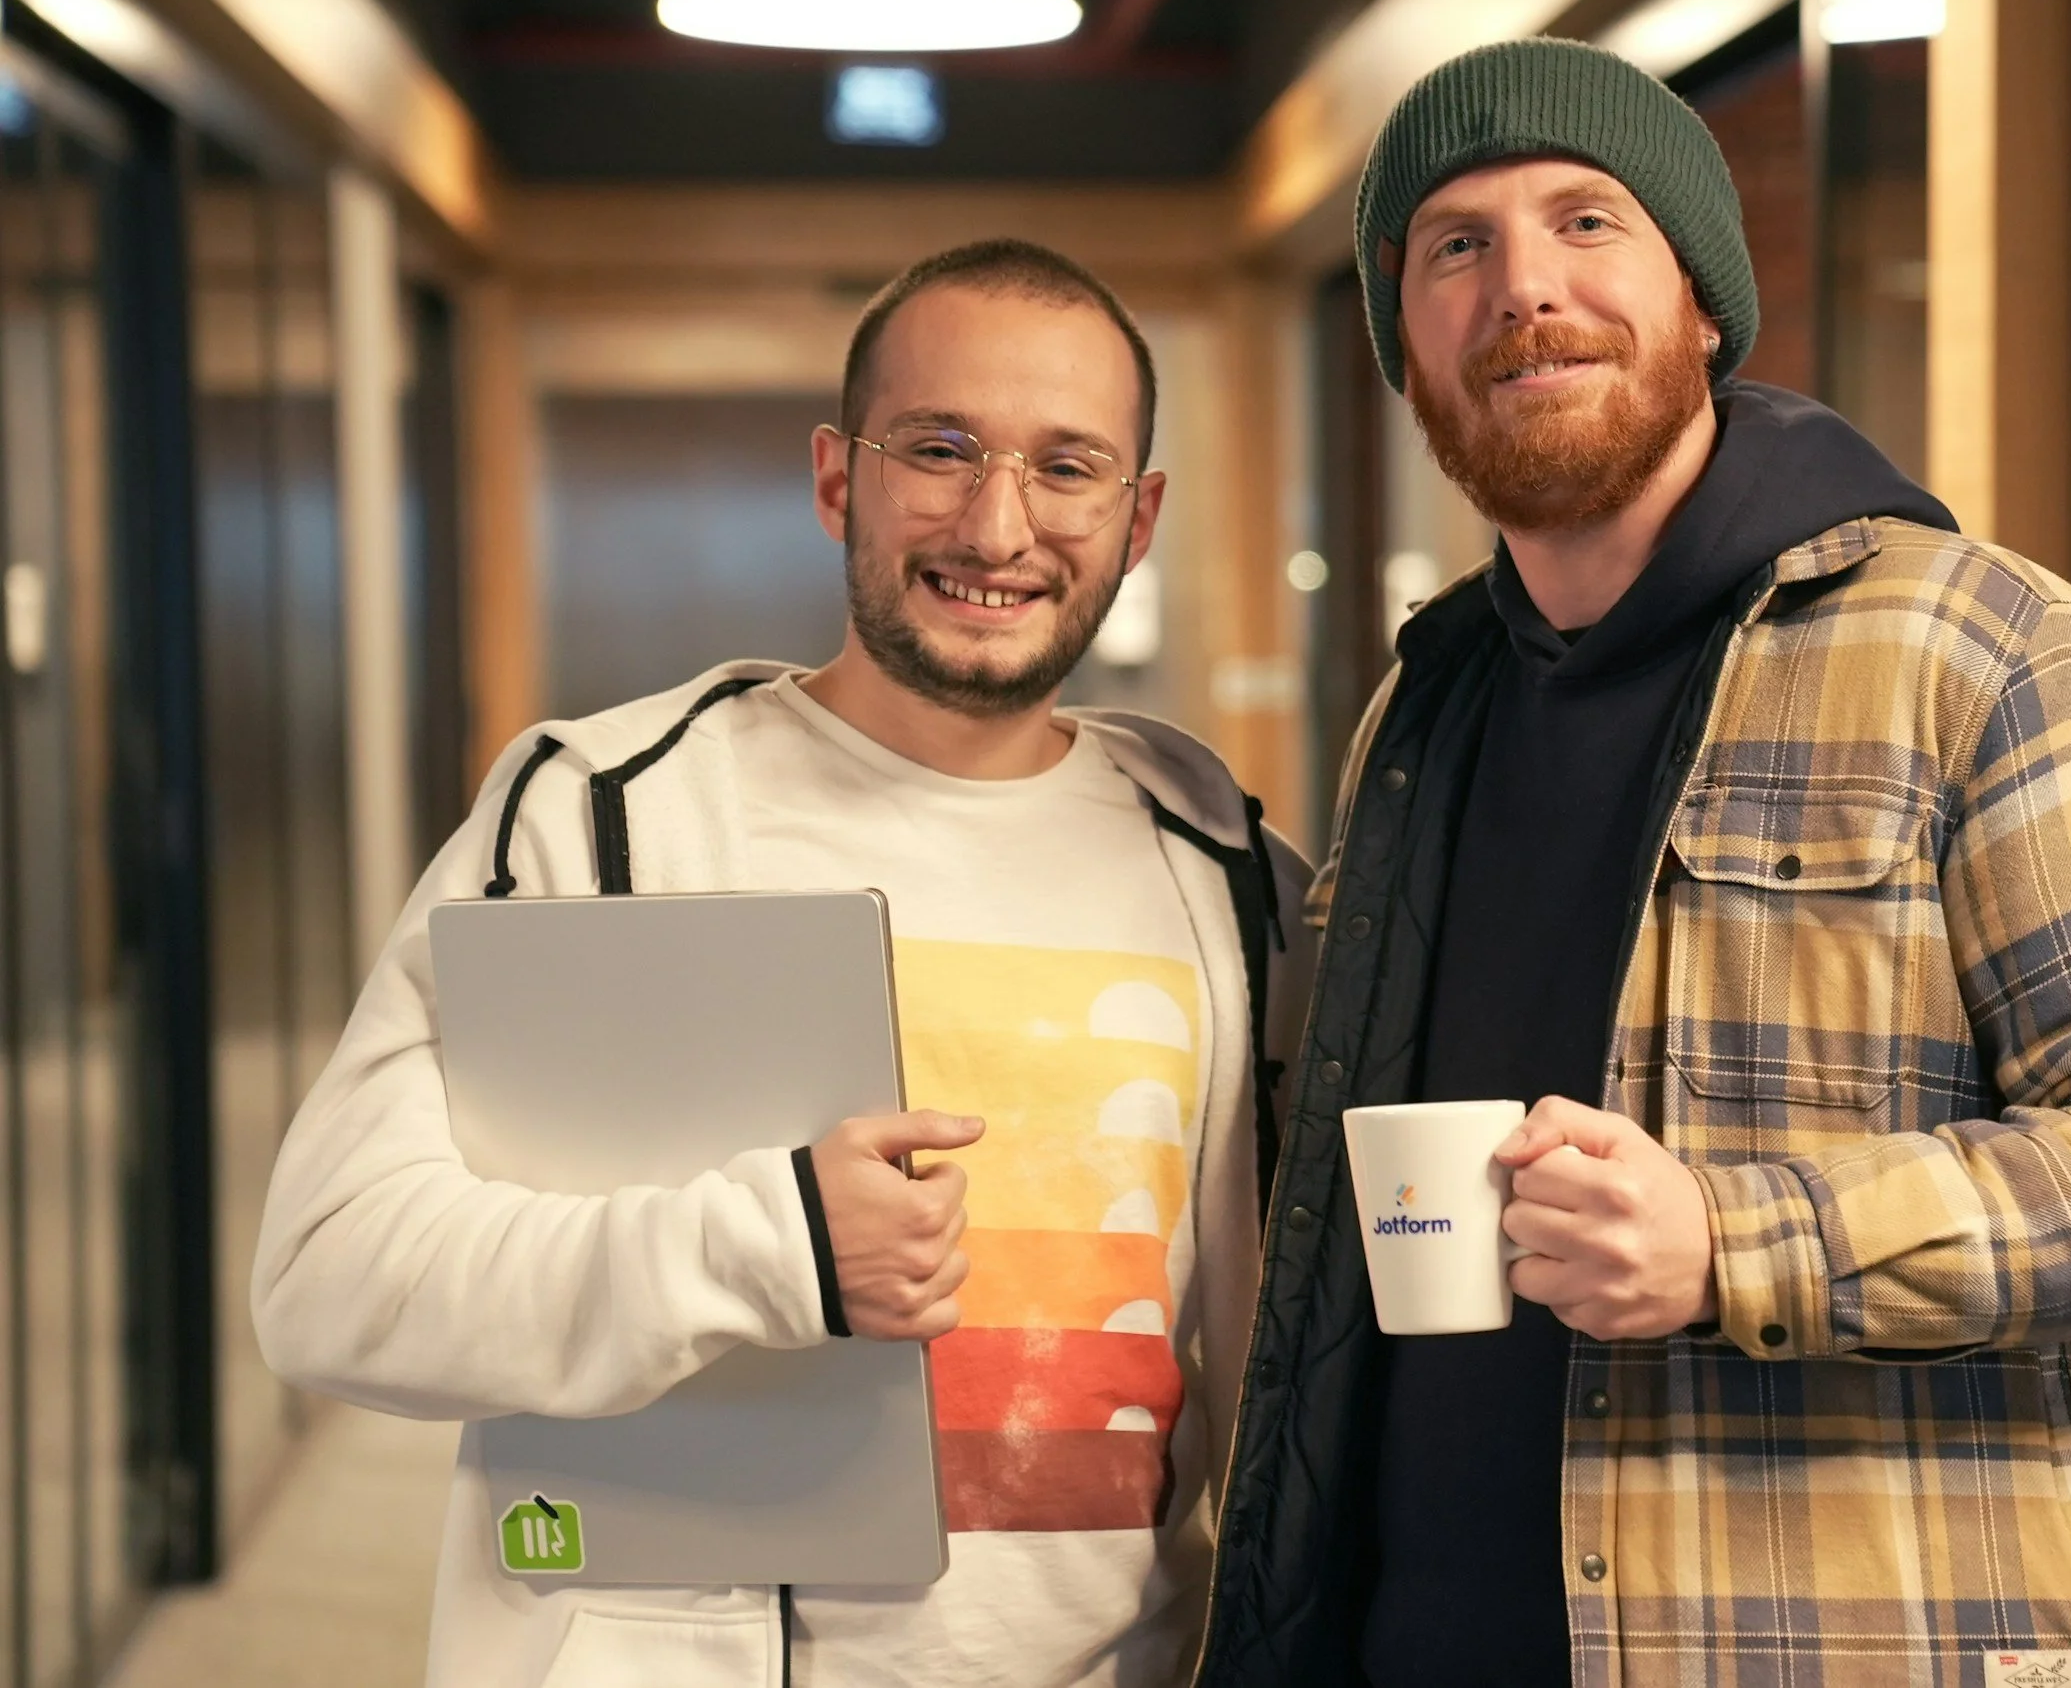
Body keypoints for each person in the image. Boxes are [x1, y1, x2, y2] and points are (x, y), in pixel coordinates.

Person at [1196, 39, 2071, 1688]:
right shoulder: (1419, 715)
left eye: (1588, 222)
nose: (1525, 288)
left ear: (1703, 304)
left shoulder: (1978, 647)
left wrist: (1739, 1243)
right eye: (1458, 247)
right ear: (1407, 349)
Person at [254, 238, 1313, 1688]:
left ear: (1138, 520)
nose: (999, 525)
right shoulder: (609, 813)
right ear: (836, 479)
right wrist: (769, 1247)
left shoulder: (1231, 872)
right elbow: (333, 1277)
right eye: (939, 448)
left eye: (1068, 469)